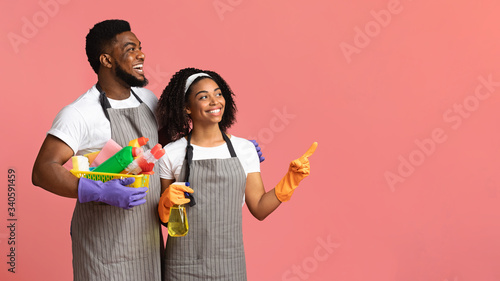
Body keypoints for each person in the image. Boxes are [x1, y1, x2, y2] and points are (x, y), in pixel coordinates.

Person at [156, 67, 317, 280]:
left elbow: (259, 208)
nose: (215, 101)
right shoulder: (171, 153)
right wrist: (166, 203)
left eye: (218, 93)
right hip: (182, 265)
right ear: (187, 107)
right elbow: (165, 221)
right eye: (204, 97)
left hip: (230, 263)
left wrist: (290, 181)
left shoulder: (244, 149)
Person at [31, 19, 162, 281]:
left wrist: (230, 147)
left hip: (148, 245)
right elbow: (42, 170)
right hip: (104, 252)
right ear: (106, 60)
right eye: (130, 49)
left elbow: (170, 149)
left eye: (139, 47)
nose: (141, 54)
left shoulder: (148, 100)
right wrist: (97, 190)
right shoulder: (79, 112)